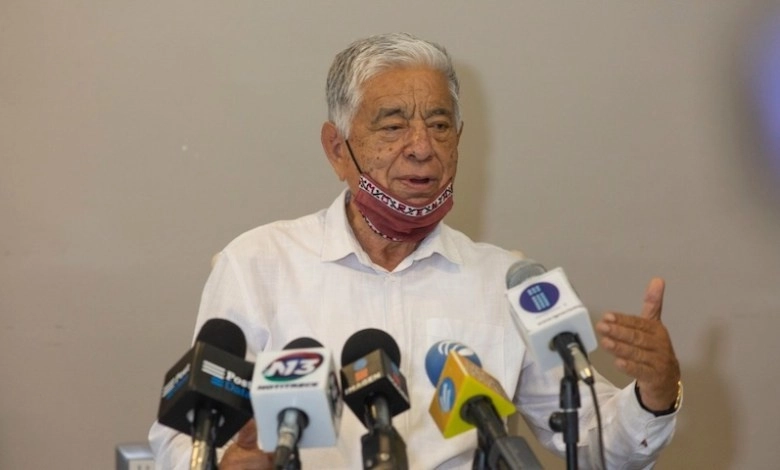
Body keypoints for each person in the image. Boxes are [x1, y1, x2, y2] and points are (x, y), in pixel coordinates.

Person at [149, 32, 681, 469]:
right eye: (394, 124)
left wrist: (654, 393)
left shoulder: (505, 279)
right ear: (338, 149)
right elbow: (178, 438)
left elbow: (589, 443)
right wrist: (226, 462)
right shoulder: (259, 264)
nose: (422, 146)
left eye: (440, 125)